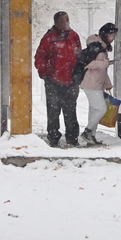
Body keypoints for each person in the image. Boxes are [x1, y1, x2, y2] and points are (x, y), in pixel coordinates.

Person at [34, 11, 81, 147]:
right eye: (62, 21)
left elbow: (79, 56)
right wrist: (45, 74)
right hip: (53, 81)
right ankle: (54, 137)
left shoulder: (74, 36)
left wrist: (78, 73)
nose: (65, 23)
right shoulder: (49, 38)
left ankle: (72, 137)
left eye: (67, 20)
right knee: (53, 111)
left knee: (70, 110)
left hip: (71, 80)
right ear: (56, 22)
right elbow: (40, 57)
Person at [80, 23, 117, 146]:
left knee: (94, 110)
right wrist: (106, 63)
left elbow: (102, 70)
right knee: (101, 108)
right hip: (91, 83)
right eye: (112, 35)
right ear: (106, 34)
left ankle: (91, 136)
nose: (113, 38)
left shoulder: (101, 46)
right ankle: (87, 132)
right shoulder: (95, 46)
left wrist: (107, 83)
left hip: (96, 83)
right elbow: (88, 64)